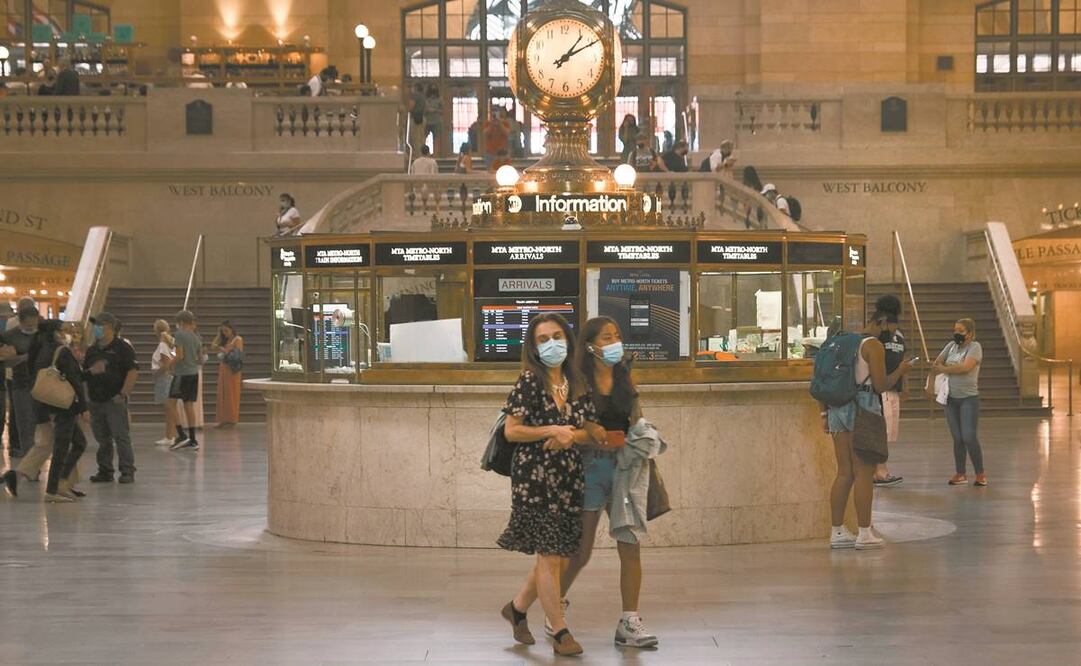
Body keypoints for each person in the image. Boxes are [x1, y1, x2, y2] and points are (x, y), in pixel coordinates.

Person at [498, 313, 599, 657]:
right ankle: (560, 631)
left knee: (555, 555)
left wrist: (572, 435)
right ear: (534, 347)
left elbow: (588, 431)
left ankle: (517, 608)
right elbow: (512, 430)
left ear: (568, 340)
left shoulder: (579, 382)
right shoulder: (529, 381)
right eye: (543, 339)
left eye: (557, 336)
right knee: (550, 555)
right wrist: (550, 430)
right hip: (535, 477)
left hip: (568, 477)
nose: (552, 343)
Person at [558, 316, 659, 648]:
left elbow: (637, 417)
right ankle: (553, 606)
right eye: (606, 337)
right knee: (581, 550)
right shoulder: (577, 381)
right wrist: (590, 433)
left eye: (617, 335)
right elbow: (568, 427)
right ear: (590, 344)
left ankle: (629, 619)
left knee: (630, 544)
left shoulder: (624, 377)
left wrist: (643, 436)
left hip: (625, 468)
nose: (614, 342)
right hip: (590, 469)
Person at [822, 307, 912, 550]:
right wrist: (901, 371)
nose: (889, 335)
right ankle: (864, 533)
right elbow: (881, 385)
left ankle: (837, 531)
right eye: (889, 329)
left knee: (844, 473)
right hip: (862, 410)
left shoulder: (840, 341)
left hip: (836, 409)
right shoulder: (873, 346)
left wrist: (824, 413)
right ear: (881, 321)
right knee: (864, 472)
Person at [83, 312, 139, 484]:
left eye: (101, 326)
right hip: (95, 400)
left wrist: (123, 393)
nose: (97, 329)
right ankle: (105, 470)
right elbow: (84, 375)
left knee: (120, 436)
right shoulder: (92, 350)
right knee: (102, 438)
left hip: (114, 399)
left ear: (111, 328)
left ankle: (127, 470)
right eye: (96, 326)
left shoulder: (123, 348)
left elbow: (132, 371)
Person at [36, 320, 88, 502]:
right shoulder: (63, 351)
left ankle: (61, 482)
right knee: (61, 448)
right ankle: (53, 488)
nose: (67, 333)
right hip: (66, 406)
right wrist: (84, 407)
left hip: (53, 403)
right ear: (56, 332)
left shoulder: (45, 349)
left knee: (79, 442)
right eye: (63, 330)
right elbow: (75, 379)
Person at [933, 318, 987, 487]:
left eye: (961, 331)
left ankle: (980, 474)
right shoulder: (951, 346)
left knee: (969, 436)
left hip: (968, 398)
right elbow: (937, 362)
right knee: (957, 437)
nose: (957, 333)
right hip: (950, 398)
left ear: (970, 334)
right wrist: (945, 368)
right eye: (955, 330)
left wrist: (946, 369)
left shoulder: (974, 347)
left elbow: (966, 368)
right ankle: (960, 473)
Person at [1, 303, 42, 458]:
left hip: (42, 383)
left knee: (43, 425)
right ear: (21, 321)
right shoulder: (9, 336)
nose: (32, 327)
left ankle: (36, 458)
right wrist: (23, 358)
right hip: (21, 383)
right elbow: (5, 361)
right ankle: (29, 461)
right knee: (24, 423)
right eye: (29, 324)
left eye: (35, 323)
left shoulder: (43, 334)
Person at [874, 295, 906, 488]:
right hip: (881, 387)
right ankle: (880, 470)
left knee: (889, 432)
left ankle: (880, 469)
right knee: (882, 431)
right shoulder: (877, 336)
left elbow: (903, 357)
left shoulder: (899, 336)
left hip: (894, 387)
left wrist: (905, 384)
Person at [169, 310, 205, 451]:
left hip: (181, 374)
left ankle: (181, 434)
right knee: (188, 405)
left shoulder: (178, 335)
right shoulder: (197, 338)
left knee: (170, 403)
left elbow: (179, 355)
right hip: (193, 373)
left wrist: (168, 366)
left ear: (181, 323)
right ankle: (192, 438)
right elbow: (201, 359)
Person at [212, 321, 244, 428]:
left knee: (231, 393)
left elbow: (237, 356)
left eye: (226, 330)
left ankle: (232, 419)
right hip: (224, 369)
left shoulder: (237, 339)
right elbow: (213, 346)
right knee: (223, 393)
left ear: (232, 330)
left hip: (232, 370)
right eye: (223, 331)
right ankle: (223, 419)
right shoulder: (225, 340)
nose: (225, 333)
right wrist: (218, 334)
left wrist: (224, 350)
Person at [151, 319, 178, 446]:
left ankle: (170, 436)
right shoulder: (170, 343)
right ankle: (170, 435)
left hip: (164, 378)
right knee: (169, 408)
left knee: (169, 408)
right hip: (168, 377)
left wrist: (157, 372)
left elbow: (166, 363)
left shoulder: (163, 345)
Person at [407, 83, 427, 154]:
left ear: (415, 88)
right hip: (422, 118)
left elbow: (411, 106)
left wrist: (406, 111)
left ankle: (418, 154)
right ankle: (423, 153)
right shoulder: (423, 96)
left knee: (415, 138)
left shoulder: (415, 95)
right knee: (421, 138)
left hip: (415, 118)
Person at [423, 84, 443, 153]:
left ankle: (435, 155)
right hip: (427, 121)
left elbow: (443, 110)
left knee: (436, 139)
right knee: (424, 138)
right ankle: (424, 153)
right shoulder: (426, 99)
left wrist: (435, 110)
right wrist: (427, 110)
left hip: (436, 121)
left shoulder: (439, 99)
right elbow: (423, 109)